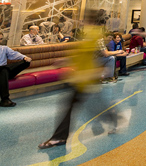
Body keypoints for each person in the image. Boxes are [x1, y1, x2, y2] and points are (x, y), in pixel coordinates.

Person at [38, 16, 117, 149]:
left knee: (90, 106)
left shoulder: (94, 37)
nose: (82, 23)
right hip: (81, 79)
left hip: (87, 79)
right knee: (79, 106)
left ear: (90, 22)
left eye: (84, 21)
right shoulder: (89, 37)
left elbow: (96, 58)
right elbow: (82, 56)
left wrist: (94, 72)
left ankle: (59, 137)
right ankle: (60, 137)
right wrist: (67, 61)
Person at [0, 31, 31, 107]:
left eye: (0, 39)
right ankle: (4, 100)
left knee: (26, 62)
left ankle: (5, 100)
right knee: (2, 70)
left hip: (5, 72)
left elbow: (14, 54)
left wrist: (24, 57)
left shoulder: (4, 48)